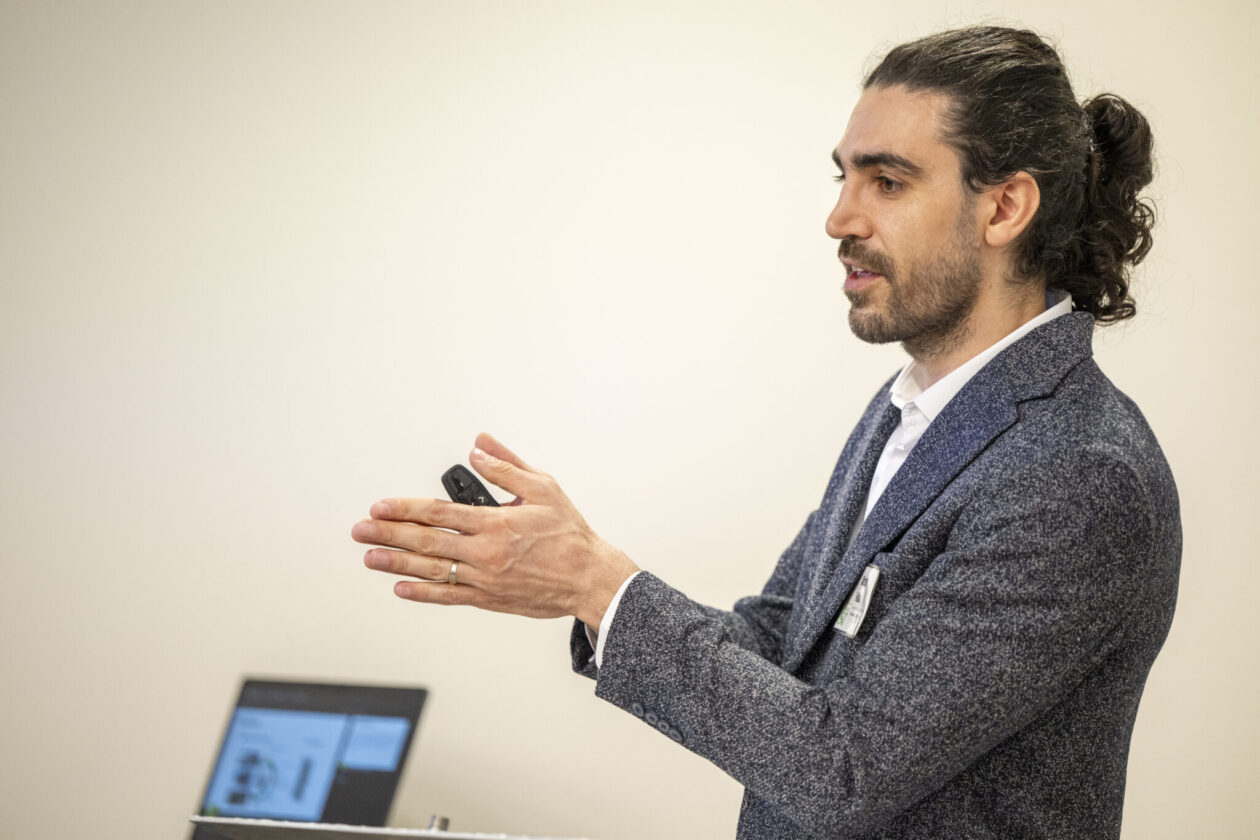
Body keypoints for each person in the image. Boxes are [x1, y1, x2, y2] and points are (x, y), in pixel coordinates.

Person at [352, 26, 1180, 840]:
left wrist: (599, 585)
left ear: (1004, 207)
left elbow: (844, 768)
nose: (839, 218)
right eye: (844, 177)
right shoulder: (909, 411)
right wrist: (572, 575)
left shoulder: (1077, 473)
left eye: (886, 182)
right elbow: (778, 645)